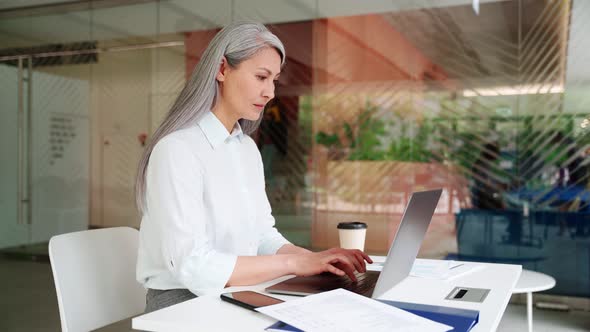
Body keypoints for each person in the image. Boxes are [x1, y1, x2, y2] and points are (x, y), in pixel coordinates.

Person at [134, 22, 372, 313]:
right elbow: (192, 264)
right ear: (222, 69)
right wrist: (292, 263)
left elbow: (262, 236)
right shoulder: (177, 150)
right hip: (181, 302)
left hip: (237, 291)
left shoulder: (245, 149)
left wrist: (315, 259)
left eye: (274, 80)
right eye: (261, 77)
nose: (270, 92)